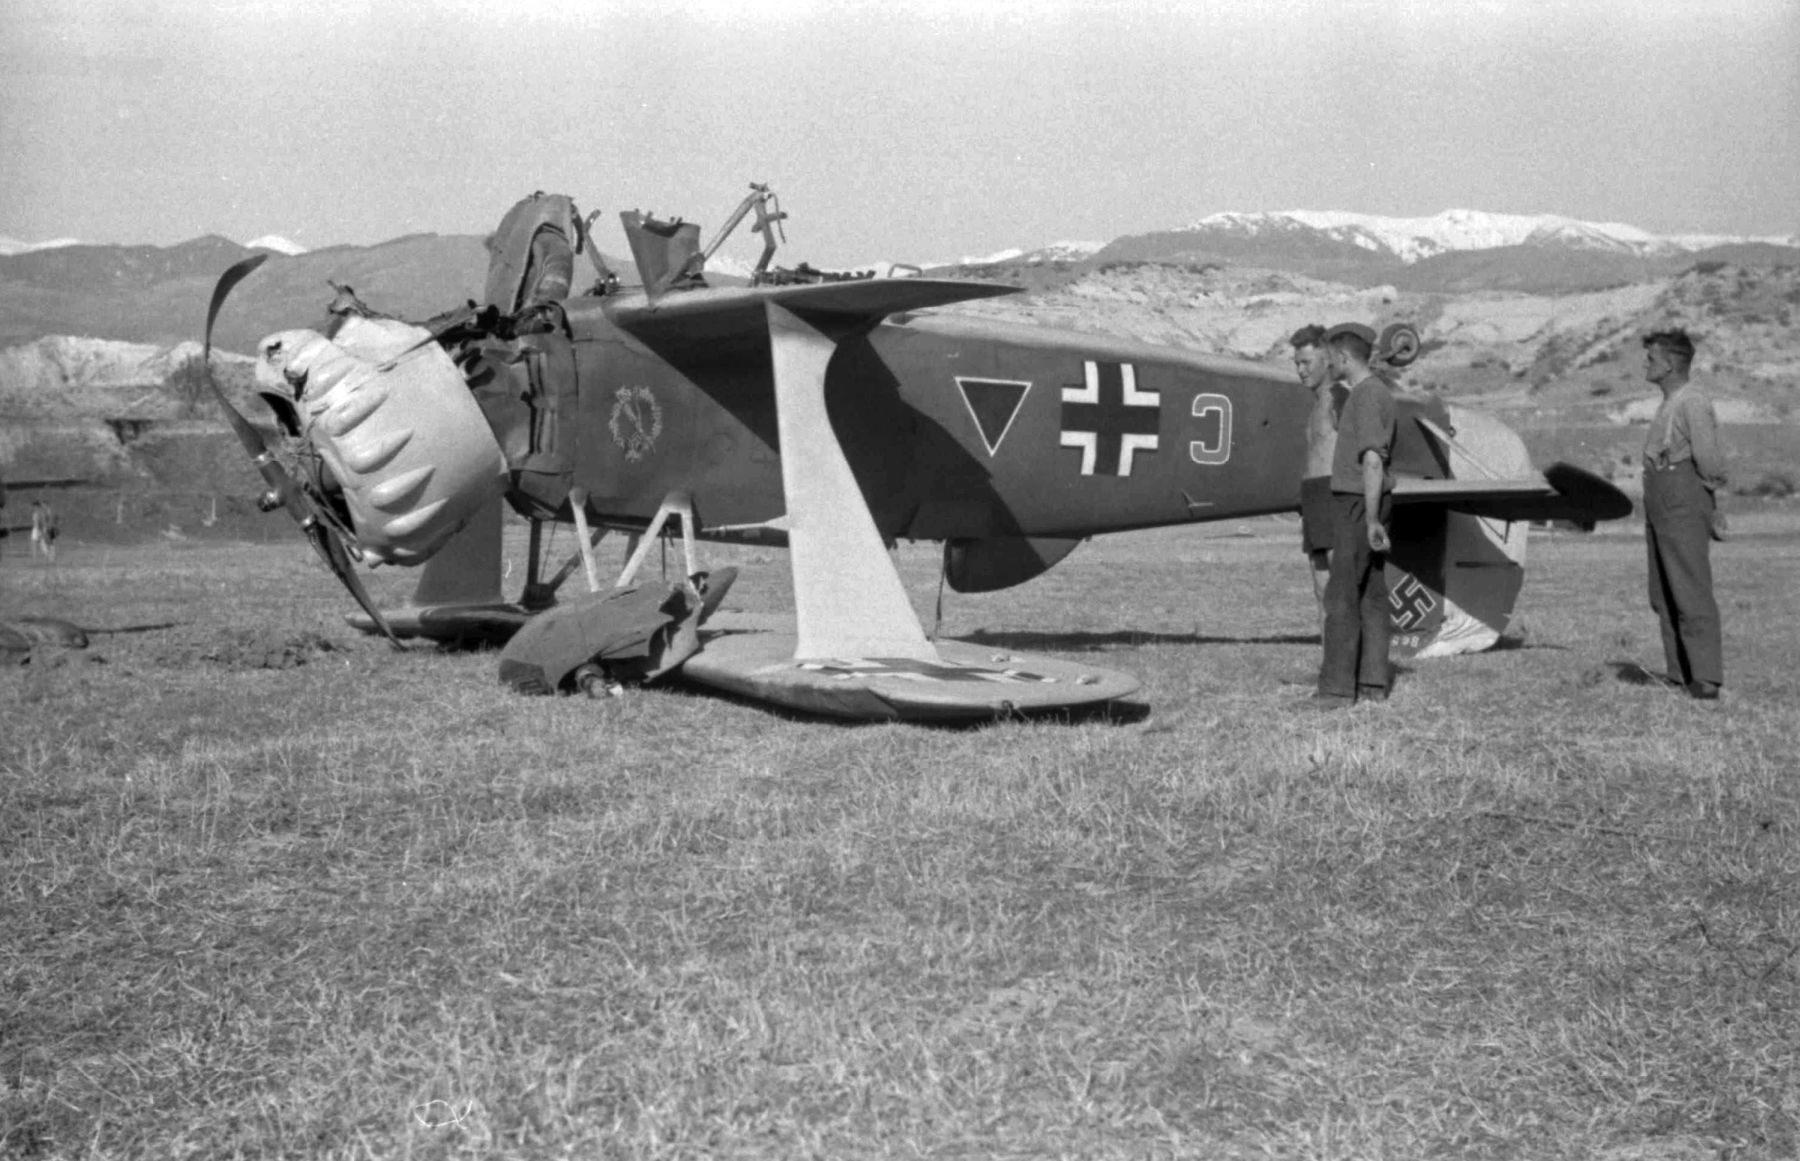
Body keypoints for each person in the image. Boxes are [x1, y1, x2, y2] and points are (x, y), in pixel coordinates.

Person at [1309, 322, 1396, 708]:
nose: (1330, 365)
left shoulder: (1366, 396)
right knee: (1371, 594)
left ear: (1344, 357)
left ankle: (1336, 690)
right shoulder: (1373, 393)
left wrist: (1372, 519)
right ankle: (1372, 685)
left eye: (1332, 358)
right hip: (1366, 502)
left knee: (1341, 595)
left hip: (1358, 503)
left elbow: (1374, 460)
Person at [1640, 327, 1726, 700]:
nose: (1646, 364)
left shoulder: (1691, 402)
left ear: (1672, 364)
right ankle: (1679, 673)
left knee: (1689, 588)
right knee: (1663, 592)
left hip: (1681, 498)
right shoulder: (1671, 401)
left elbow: (1709, 461)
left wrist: (1711, 501)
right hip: (1661, 499)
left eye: (1652, 358)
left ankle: (1705, 678)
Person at [1293, 324, 1348, 621]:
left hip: (1333, 492)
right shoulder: (1315, 405)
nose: (1300, 371)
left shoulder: (1340, 397)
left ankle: (1350, 661)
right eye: (1297, 364)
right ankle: (1331, 663)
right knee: (1320, 586)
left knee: (1340, 585)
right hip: (1314, 496)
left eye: (1306, 363)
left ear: (1327, 360)